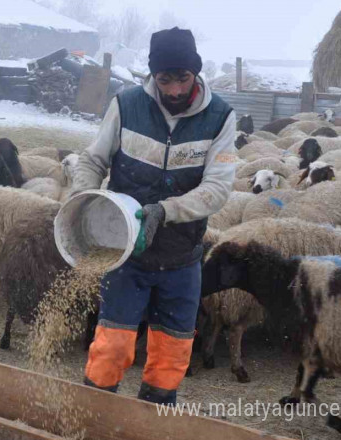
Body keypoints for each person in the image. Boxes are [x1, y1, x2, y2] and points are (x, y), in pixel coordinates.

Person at [71, 27, 238, 405]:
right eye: (165, 79)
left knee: (171, 355)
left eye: (183, 78)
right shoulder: (127, 105)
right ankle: (95, 418)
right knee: (111, 348)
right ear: (153, 75)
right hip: (125, 253)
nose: (175, 90)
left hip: (181, 260)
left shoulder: (220, 117)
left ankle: (153, 420)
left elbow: (218, 188)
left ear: (195, 72)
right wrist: (82, 198)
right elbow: (93, 159)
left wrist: (166, 211)